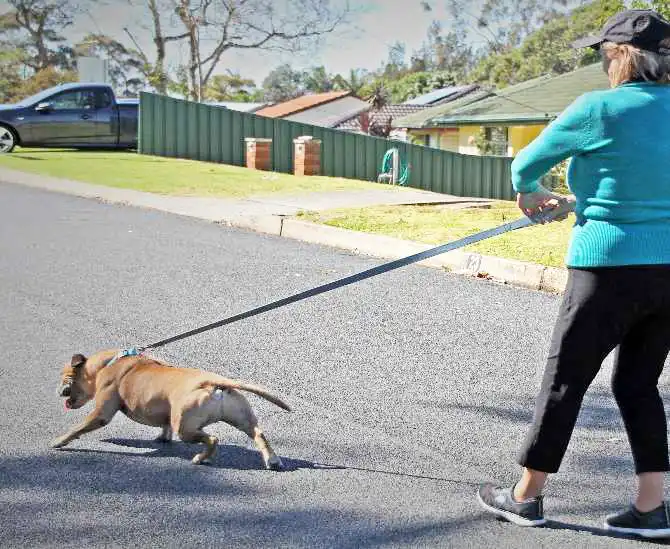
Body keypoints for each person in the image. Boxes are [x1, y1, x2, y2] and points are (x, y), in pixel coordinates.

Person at [476, 9, 670, 539]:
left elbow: (524, 166)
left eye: (606, 52)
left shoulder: (598, 108)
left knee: (565, 380)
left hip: (607, 267)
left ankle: (526, 496)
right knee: (638, 384)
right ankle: (652, 508)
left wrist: (534, 193)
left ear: (621, 55)